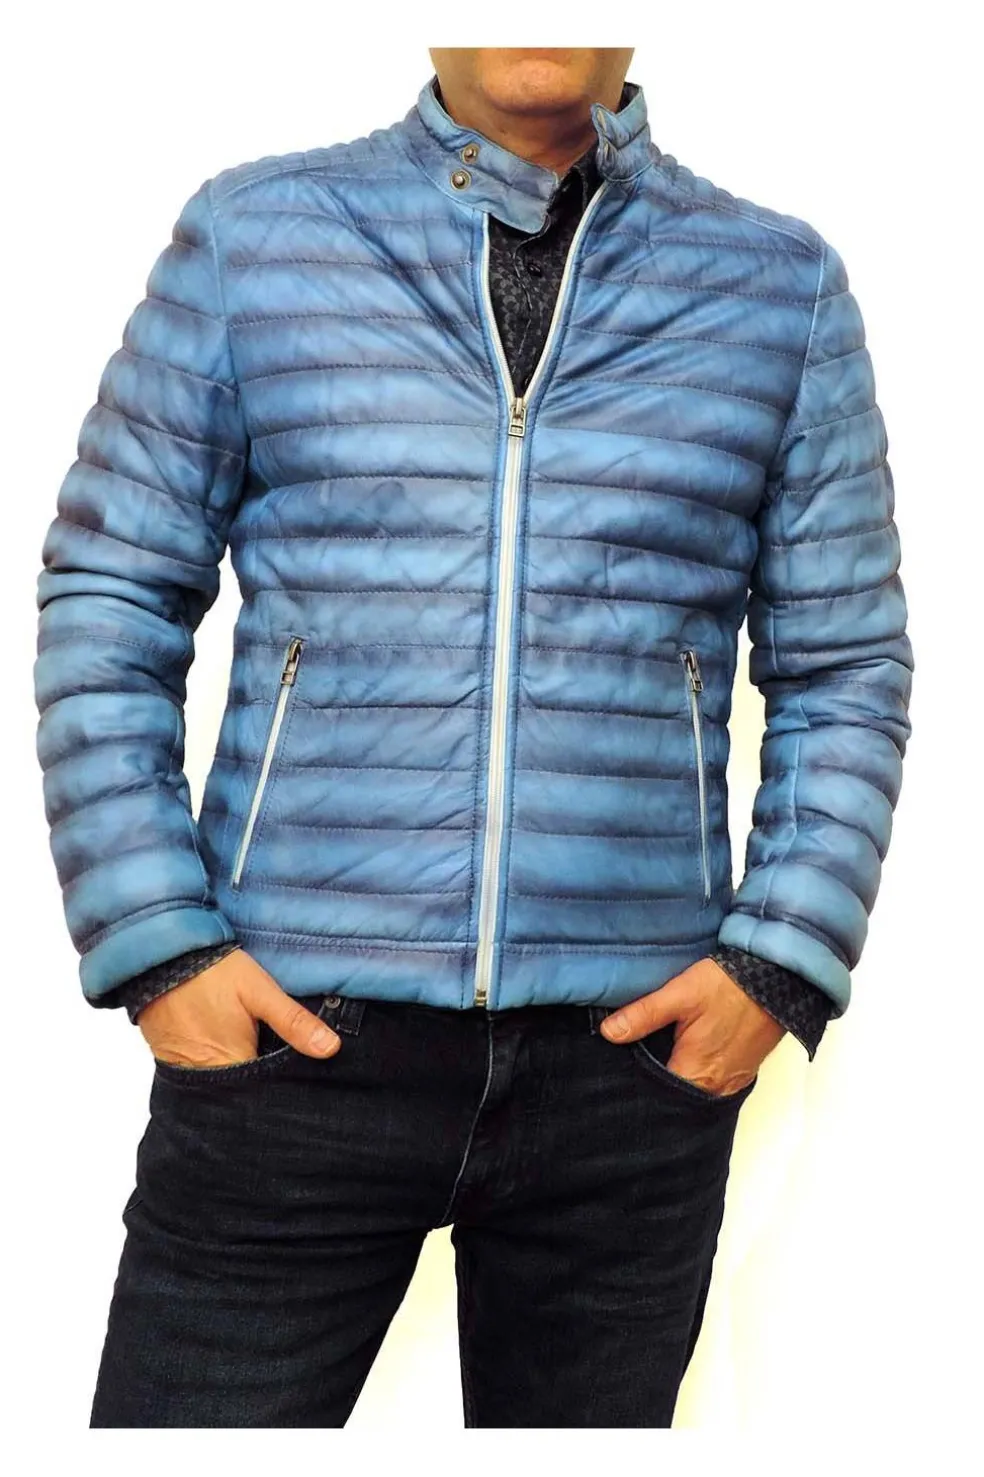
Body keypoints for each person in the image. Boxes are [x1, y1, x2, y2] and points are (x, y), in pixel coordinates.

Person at [34, 46, 913, 1428]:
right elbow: (110, 592)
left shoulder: (777, 285)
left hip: (629, 1072)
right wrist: (161, 947)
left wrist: (775, 963)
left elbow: (846, 662)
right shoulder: (258, 237)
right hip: (293, 1047)